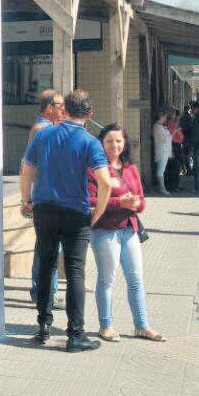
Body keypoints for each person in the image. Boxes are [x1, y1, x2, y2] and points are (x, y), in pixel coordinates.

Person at [21, 89, 110, 352]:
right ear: (90, 113)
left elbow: (27, 170)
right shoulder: (90, 141)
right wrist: (97, 213)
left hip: (44, 209)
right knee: (75, 272)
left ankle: (43, 326)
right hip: (76, 213)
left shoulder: (43, 135)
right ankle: (75, 335)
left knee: (46, 266)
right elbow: (105, 182)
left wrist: (26, 200)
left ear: (64, 109)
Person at [88, 124, 164, 343]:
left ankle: (142, 326)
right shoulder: (94, 169)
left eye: (119, 141)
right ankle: (106, 326)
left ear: (125, 143)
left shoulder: (130, 168)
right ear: (101, 144)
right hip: (105, 230)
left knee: (136, 278)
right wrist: (118, 202)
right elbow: (90, 201)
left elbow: (142, 201)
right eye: (109, 141)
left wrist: (136, 203)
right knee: (107, 279)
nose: (115, 145)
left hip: (129, 229)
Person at [27, 88, 64, 308]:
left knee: (46, 245)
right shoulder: (43, 130)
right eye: (60, 105)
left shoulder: (47, 128)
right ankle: (45, 292)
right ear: (50, 108)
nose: (64, 109)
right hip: (47, 195)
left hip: (47, 194)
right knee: (48, 247)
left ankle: (43, 290)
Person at [151, 111, 173, 196]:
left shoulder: (160, 126)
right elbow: (164, 139)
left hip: (164, 150)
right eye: (165, 117)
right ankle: (162, 188)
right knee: (161, 170)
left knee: (161, 169)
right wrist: (174, 132)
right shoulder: (157, 126)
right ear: (161, 117)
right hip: (162, 151)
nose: (165, 119)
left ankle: (161, 187)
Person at [166, 111, 185, 192]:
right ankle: (174, 186)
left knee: (170, 168)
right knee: (175, 168)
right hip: (175, 147)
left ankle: (171, 185)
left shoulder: (166, 124)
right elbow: (180, 138)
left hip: (170, 146)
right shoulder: (174, 124)